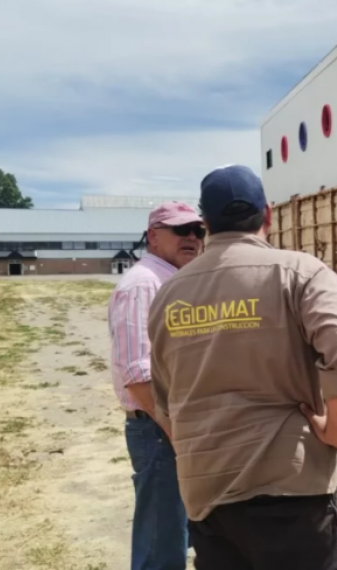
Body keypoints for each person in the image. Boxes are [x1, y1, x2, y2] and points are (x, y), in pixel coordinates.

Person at [147, 164, 337, 570]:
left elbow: (164, 396)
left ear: (205, 223)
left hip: (208, 491)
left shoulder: (169, 294)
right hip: (292, 485)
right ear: (267, 215)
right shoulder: (301, 272)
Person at [107, 201, 206, 570]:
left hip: (176, 424)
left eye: (198, 231)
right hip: (159, 427)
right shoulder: (143, 285)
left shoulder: (172, 280)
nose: (192, 238)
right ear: (153, 236)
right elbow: (138, 373)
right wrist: (172, 429)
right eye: (182, 230)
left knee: (177, 530)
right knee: (161, 540)